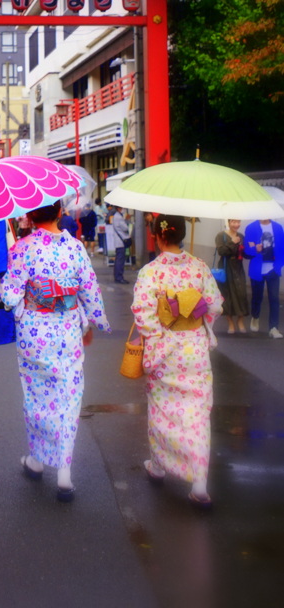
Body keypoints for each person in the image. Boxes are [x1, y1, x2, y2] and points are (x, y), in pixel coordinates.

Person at [0, 202, 110, 502]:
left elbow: (8, 296)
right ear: (60, 213)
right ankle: (64, 474)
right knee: (68, 396)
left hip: (34, 334)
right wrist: (97, 320)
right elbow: (89, 290)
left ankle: (37, 459)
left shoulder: (22, 248)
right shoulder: (75, 248)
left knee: (36, 396)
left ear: (31, 215)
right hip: (67, 331)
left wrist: (9, 286)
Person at [132, 215, 223, 508]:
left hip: (165, 351)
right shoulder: (199, 267)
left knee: (162, 410)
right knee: (197, 413)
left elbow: (143, 315)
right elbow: (216, 305)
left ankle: (159, 466)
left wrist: (161, 335)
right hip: (194, 349)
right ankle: (199, 483)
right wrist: (193, 310)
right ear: (183, 235)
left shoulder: (150, 272)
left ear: (157, 238)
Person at [243, 217, 284, 338]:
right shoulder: (251, 228)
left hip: (273, 269)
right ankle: (255, 317)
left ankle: (273, 328)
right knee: (257, 297)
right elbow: (247, 250)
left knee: (274, 298)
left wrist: (279, 264)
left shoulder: (278, 228)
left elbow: (282, 248)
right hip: (257, 268)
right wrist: (255, 248)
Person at [214, 219, 248, 334]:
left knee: (241, 294)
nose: (236, 224)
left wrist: (255, 250)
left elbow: (245, 253)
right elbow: (221, 251)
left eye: (238, 222)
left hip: (238, 268)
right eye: (233, 222)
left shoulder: (241, 236)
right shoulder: (221, 236)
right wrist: (232, 242)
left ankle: (240, 320)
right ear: (228, 222)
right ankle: (230, 323)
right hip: (226, 268)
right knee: (227, 295)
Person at [111, 206, 130, 283]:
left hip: (118, 241)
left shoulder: (116, 216)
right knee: (120, 260)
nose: (124, 209)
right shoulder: (118, 217)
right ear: (119, 208)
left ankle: (117, 276)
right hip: (120, 242)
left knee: (119, 259)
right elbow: (125, 228)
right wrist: (126, 221)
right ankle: (119, 277)